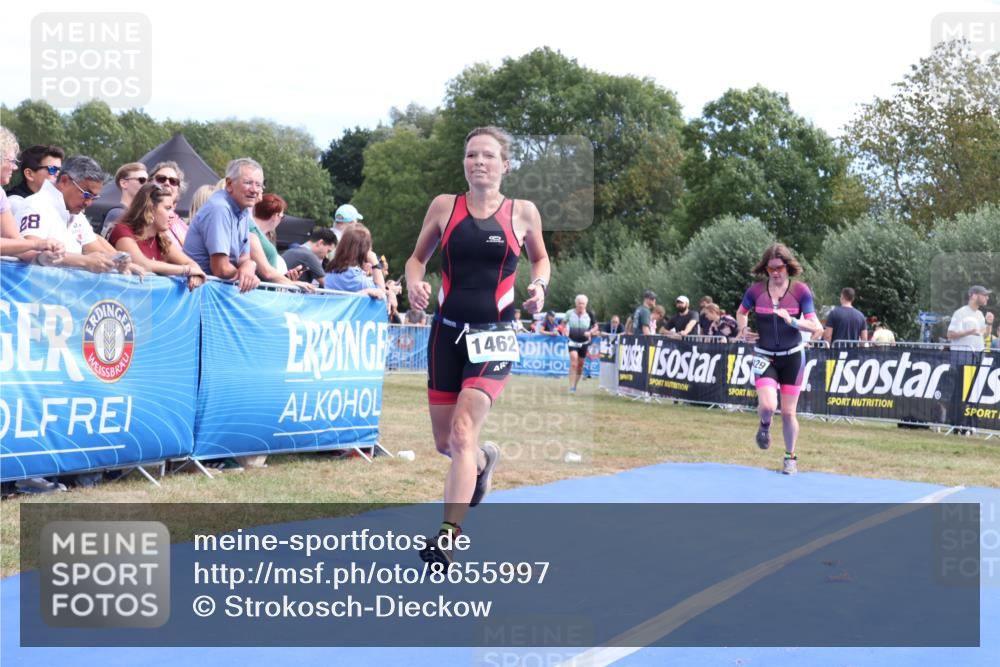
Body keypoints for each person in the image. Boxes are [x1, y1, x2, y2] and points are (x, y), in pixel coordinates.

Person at [405, 126, 549, 569]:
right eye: (471, 155)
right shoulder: (444, 206)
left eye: (487, 155)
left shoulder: (522, 212)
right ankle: (485, 460)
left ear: (505, 164)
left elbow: (540, 258)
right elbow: (416, 259)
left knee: (463, 432)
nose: (478, 162)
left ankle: (447, 536)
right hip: (445, 334)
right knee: (445, 443)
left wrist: (539, 287)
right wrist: (413, 284)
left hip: (494, 335)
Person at [735, 243, 822, 475]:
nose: (775, 273)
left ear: (787, 267)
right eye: (770, 268)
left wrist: (791, 321)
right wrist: (743, 329)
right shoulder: (755, 291)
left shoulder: (800, 291)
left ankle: (790, 457)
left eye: (779, 268)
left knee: (788, 412)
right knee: (767, 406)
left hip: (792, 357)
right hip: (764, 355)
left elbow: (814, 326)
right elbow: (741, 312)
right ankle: (764, 425)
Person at [17, 155, 143, 276]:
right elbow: (30, 250)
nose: (89, 203)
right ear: (64, 181)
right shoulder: (35, 205)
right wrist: (84, 261)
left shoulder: (76, 213)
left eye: (94, 197)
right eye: (86, 194)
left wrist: (119, 260)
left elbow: (96, 249)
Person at [183, 157, 261, 293]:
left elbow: (244, 258)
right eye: (248, 183)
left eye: (259, 185)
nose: (254, 190)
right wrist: (246, 276)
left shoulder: (242, 210)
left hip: (212, 291)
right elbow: (220, 269)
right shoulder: (220, 208)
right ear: (229, 184)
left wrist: (249, 265)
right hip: (195, 292)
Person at [109, 182, 206, 290]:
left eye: (172, 209)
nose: (172, 215)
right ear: (150, 209)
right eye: (168, 208)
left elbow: (190, 262)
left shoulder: (161, 238)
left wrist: (195, 275)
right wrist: (186, 270)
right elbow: (142, 264)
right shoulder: (122, 230)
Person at [0, 127, 64, 261]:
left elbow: (16, 243)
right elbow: (20, 245)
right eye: (11, 161)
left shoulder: (1, 194)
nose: (15, 167)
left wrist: (43, 256)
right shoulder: (16, 202)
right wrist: (35, 244)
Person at [323, 223, 386, 299]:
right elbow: (381, 293)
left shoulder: (331, 269)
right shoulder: (353, 276)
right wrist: (375, 263)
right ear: (364, 249)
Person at [5, 144, 65, 219]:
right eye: (53, 169)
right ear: (29, 174)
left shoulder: (53, 202)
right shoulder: (15, 203)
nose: (58, 175)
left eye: (60, 170)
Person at [100, 162, 147, 236]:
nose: (146, 184)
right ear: (124, 183)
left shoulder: (144, 214)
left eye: (148, 181)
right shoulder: (116, 214)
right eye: (142, 180)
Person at [148, 161, 189, 246]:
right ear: (149, 182)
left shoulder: (183, 226)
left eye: (173, 181)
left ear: (178, 189)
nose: (167, 183)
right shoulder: (141, 218)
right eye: (161, 179)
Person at [565, 294, 599, 393]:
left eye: (583, 304)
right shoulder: (569, 313)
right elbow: (563, 324)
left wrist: (590, 332)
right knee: (573, 362)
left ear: (586, 304)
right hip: (572, 340)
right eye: (579, 303)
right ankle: (571, 386)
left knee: (580, 365)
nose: (581, 305)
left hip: (584, 342)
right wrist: (564, 330)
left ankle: (575, 386)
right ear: (576, 303)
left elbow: (596, 327)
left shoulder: (590, 313)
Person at [947, 285, 991, 352]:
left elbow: (985, 336)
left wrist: (989, 323)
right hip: (962, 353)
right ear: (974, 296)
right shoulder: (960, 313)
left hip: (978, 353)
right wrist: (969, 332)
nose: (987, 298)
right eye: (984, 295)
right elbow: (950, 335)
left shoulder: (980, 314)